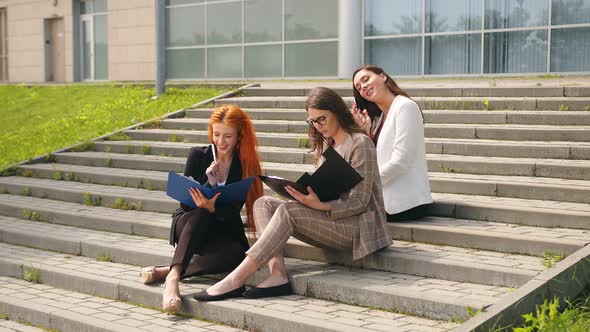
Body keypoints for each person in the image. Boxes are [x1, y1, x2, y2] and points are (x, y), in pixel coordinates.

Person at [193, 87, 391, 302]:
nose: (317, 126)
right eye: (313, 121)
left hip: (359, 227)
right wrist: (306, 197)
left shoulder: (360, 143)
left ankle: (236, 279)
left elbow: (360, 202)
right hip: (333, 220)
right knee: (263, 203)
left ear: (337, 112)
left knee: (288, 212)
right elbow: (329, 189)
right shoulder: (328, 146)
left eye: (321, 119)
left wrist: (318, 205)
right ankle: (277, 273)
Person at [140, 104, 263, 313]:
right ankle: (173, 277)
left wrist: (213, 207)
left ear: (239, 136)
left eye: (228, 136)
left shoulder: (244, 166)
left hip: (219, 229)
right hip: (188, 223)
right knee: (202, 211)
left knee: (236, 254)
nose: (221, 141)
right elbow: (185, 204)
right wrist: (209, 183)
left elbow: (233, 211)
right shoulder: (198, 155)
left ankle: (164, 271)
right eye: (217, 134)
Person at [352, 65, 433, 222]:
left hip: (405, 203)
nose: (363, 87)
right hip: (383, 199)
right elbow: (376, 159)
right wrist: (365, 132)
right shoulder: (379, 118)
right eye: (359, 87)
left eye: (366, 79)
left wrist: (365, 185)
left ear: (383, 77)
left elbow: (401, 161)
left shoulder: (405, 107)